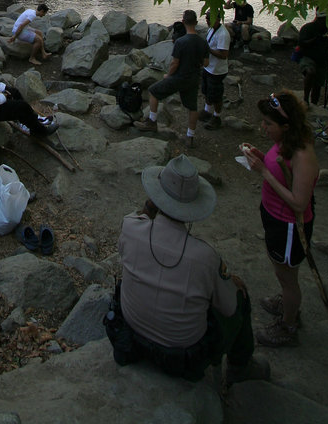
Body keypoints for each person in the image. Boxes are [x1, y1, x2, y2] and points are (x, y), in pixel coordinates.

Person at [110, 154, 269, 384]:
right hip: (181, 355)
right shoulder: (206, 257)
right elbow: (228, 307)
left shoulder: (131, 227)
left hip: (131, 335)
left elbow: (139, 220)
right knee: (239, 298)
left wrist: (151, 204)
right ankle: (240, 365)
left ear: (155, 198)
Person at [243, 90, 319, 347]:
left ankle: (288, 323)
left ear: (286, 126)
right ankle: (287, 302)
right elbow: (280, 170)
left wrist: (264, 171)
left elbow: (299, 201)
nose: (264, 128)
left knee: (287, 277)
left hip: (288, 226)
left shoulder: (302, 155)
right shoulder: (287, 141)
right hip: (274, 216)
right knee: (281, 271)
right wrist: (262, 159)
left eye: (269, 124)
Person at [135, 10, 210, 146]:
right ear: (196, 23)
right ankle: (190, 136)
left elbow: (175, 63)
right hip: (193, 79)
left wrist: (168, 75)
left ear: (183, 22)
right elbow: (206, 63)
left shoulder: (181, 42)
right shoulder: (202, 42)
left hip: (179, 78)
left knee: (153, 91)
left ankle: (152, 122)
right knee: (192, 108)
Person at [198, 9, 230, 130]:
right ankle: (207, 111)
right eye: (206, 18)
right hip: (209, 67)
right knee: (206, 91)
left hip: (217, 70)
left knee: (216, 95)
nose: (207, 21)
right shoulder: (211, 29)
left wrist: (208, 50)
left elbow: (224, 54)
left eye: (209, 18)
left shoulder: (223, 34)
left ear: (217, 19)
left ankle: (217, 117)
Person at [297, 10, 328, 105]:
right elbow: (301, 43)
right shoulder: (307, 28)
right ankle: (305, 98)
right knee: (310, 72)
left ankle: (314, 103)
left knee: (318, 84)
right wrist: (315, 39)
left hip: (322, 60)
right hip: (308, 57)